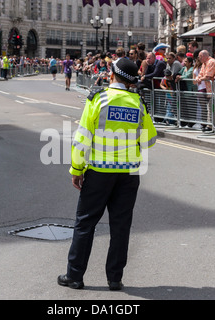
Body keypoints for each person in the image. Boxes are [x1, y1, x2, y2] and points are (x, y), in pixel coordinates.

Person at [57, 58, 157, 291]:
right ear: (132, 81)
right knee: (120, 226)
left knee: (85, 224)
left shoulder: (98, 99)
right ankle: (114, 279)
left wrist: (76, 169)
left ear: (112, 74)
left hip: (100, 172)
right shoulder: (138, 103)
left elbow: (82, 139)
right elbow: (150, 140)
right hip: (129, 173)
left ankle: (75, 276)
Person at [196, 50, 215, 132]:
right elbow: (201, 74)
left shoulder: (211, 62)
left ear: (204, 56)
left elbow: (208, 76)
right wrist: (199, 78)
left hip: (214, 89)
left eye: (200, 56)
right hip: (209, 90)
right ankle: (210, 126)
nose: (199, 58)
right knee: (210, 108)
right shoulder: (204, 63)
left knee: (214, 109)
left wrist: (199, 79)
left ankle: (212, 126)